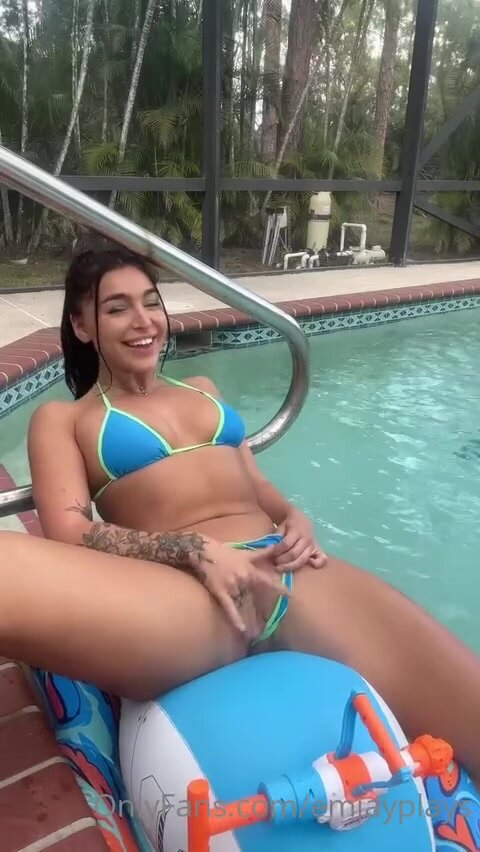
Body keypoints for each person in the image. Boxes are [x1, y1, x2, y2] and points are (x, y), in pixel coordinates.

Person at [14, 245, 479, 783]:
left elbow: (256, 487)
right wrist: (192, 551)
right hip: (181, 590)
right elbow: (70, 529)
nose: (143, 322)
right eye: (117, 308)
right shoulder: (65, 418)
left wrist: (293, 516)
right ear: (82, 326)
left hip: (282, 572)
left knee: (465, 698)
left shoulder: (203, 391)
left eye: (151, 303)